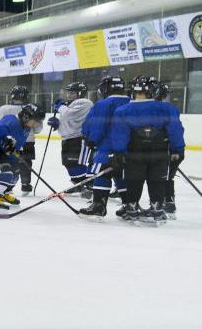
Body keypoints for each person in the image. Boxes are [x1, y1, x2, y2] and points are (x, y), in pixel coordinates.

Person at [107, 75, 185, 224]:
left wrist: (118, 152)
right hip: (160, 153)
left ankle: (132, 208)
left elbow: (119, 134)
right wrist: (178, 150)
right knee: (157, 181)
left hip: (134, 153)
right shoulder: (167, 108)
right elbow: (175, 130)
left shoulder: (123, 110)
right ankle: (156, 209)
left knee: (134, 180)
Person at [78, 76, 131, 218]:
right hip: (127, 149)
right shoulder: (131, 102)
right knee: (121, 175)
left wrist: (91, 140)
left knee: (102, 174)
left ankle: (98, 206)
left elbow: (98, 125)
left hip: (107, 147)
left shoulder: (104, 104)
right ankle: (129, 206)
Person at [0, 104, 43, 215]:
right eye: (34, 121)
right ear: (26, 116)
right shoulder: (10, 120)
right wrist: (5, 139)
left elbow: (18, 143)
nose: (35, 124)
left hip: (7, 153)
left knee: (16, 173)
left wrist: (19, 152)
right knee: (6, 174)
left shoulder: (26, 128)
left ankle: (4, 193)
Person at [47, 82, 94, 197]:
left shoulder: (85, 102)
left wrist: (61, 107)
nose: (69, 95)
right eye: (68, 92)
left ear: (80, 93)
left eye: (72, 92)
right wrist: (57, 125)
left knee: (77, 162)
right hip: (67, 138)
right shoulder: (70, 104)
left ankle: (87, 186)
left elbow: (70, 115)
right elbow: (68, 120)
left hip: (79, 138)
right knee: (68, 162)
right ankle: (77, 185)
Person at [0, 86, 38, 194]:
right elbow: (38, 129)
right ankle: (25, 184)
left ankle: (8, 188)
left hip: (12, 142)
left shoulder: (4, 109)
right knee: (25, 163)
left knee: (14, 164)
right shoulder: (33, 108)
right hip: (26, 141)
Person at [156, 81, 183, 219]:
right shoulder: (170, 108)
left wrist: (175, 150)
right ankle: (167, 202)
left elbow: (174, 131)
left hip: (168, 149)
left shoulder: (161, 109)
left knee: (162, 178)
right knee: (167, 177)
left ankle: (164, 204)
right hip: (172, 149)